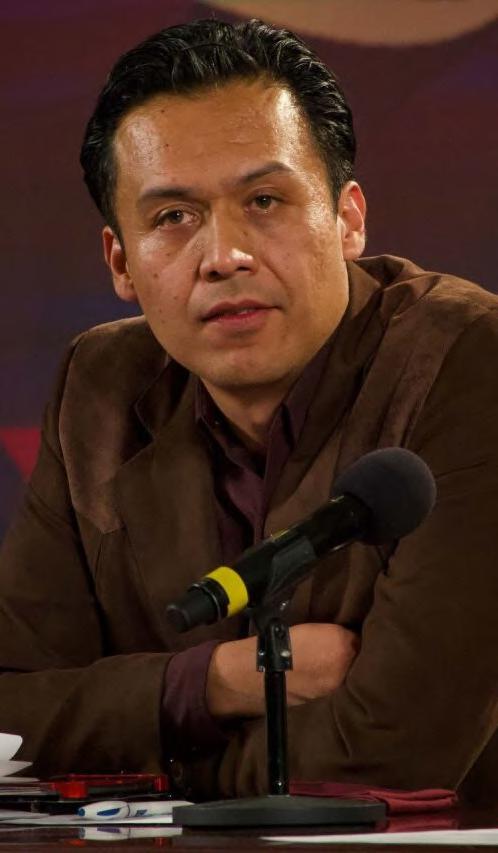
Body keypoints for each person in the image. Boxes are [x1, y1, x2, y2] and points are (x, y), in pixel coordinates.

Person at [1, 17, 497, 806]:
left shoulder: (470, 360)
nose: (224, 256)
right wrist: (216, 680)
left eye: (264, 200)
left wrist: (147, 764)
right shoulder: (99, 386)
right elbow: (9, 718)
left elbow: (391, 753)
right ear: (121, 261)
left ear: (348, 219)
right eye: (173, 217)